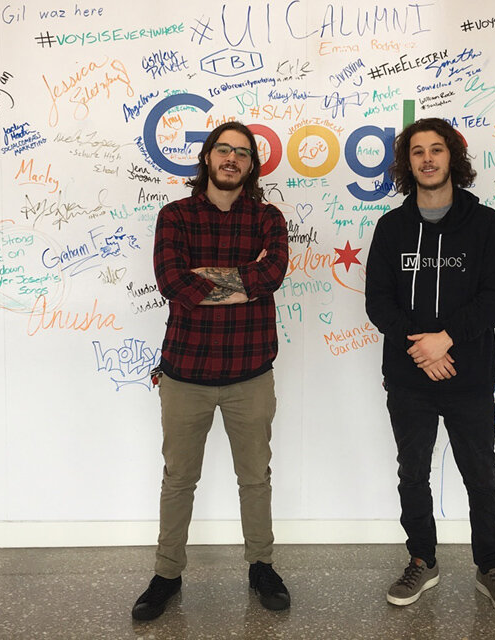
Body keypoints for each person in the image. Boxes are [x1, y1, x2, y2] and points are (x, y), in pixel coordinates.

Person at [364, 118, 495, 618]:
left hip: (470, 374)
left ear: (453, 158)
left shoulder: (486, 224)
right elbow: (377, 301)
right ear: (406, 163)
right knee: (412, 473)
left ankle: (490, 567)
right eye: (418, 152)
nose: (428, 159)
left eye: (437, 150)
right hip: (410, 377)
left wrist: (447, 339)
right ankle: (421, 559)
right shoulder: (391, 227)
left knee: (480, 474)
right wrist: (422, 348)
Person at [132, 121, 290, 621]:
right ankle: (166, 574)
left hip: (250, 372)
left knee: (255, 479)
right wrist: (243, 280)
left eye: (242, 153)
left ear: (251, 165)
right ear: (207, 157)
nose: (231, 159)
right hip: (185, 373)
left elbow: (273, 276)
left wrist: (211, 279)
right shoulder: (175, 216)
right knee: (178, 479)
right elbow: (172, 282)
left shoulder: (269, 218)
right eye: (223, 149)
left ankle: (261, 565)